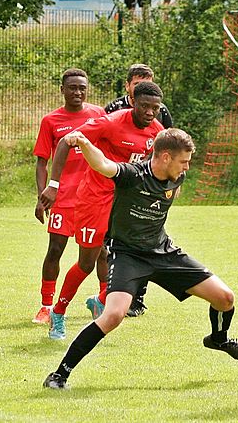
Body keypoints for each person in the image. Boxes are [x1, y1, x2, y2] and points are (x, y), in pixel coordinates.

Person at [42, 128, 238, 390]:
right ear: (165, 157)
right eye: (183, 161)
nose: (187, 167)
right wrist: (83, 142)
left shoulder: (177, 176)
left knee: (225, 298)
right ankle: (59, 375)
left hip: (163, 252)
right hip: (128, 256)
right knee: (113, 315)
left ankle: (218, 339)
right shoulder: (133, 175)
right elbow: (103, 164)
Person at [39, 82, 166, 340]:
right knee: (86, 263)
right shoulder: (111, 122)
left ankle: (100, 300)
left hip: (125, 201)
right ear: (133, 102)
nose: (150, 113)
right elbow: (65, 141)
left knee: (133, 255)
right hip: (94, 199)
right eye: (145, 106)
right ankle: (58, 313)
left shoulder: (157, 131)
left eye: (155, 108)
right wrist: (54, 185)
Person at [31, 69, 107, 325]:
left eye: (82, 88)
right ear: (62, 90)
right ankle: (46, 306)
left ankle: (104, 302)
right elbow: (41, 162)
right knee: (55, 250)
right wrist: (42, 195)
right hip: (63, 197)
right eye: (72, 87)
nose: (77, 92)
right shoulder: (51, 120)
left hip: (94, 197)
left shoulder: (98, 115)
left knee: (102, 251)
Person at [104, 64, 174, 318]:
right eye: (137, 83)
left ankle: (136, 299)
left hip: (145, 187)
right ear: (129, 87)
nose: (150, 112)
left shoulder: (161, 113)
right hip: (112, 184)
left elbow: (169, 145)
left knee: (144, 239)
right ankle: (109, 295)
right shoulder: (113, 110)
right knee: (111, 244)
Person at [105, 64, 174, 129]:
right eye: (137, 84)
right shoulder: (115, 107)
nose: (142, 88)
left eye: (147, 85)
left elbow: (168, 135)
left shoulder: (161, 110)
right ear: (127, 86)